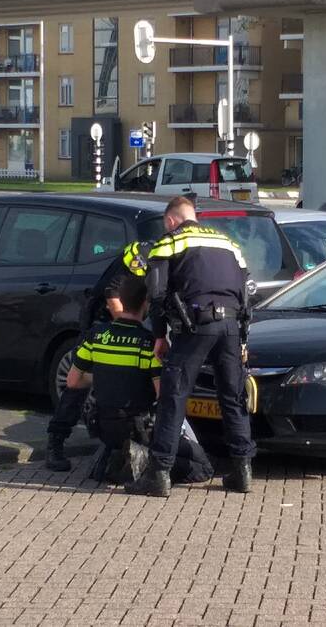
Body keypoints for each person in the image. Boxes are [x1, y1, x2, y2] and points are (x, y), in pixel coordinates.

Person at [126, 196, 256, 497]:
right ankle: (242, 471)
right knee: (233, 397)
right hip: (231, 327)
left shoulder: (169, 242)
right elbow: (246, 291)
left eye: (165, 224)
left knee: (173, 396)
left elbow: (157, 294)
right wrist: (243, 337)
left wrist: (159, 335)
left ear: (171, 220)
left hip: (194, 326)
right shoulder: (228, 243)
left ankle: (159, 474)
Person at [65, 276, 214, 485]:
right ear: (146, 302)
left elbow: (72, 382)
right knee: (203, 467)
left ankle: (113, 458)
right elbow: (162, 396)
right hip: (138, 428)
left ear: (120, 301)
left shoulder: (96, 336)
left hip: (103, 426)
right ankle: (141, 462)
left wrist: (102, 376)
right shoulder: (149, 343)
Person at [45, 241, 151, 471]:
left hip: (130, 325)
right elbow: (115, 304)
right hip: (102, 326)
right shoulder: (133, 263)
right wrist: (137, 329)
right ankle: (56, 444)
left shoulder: (160, 260)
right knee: (77, 388)